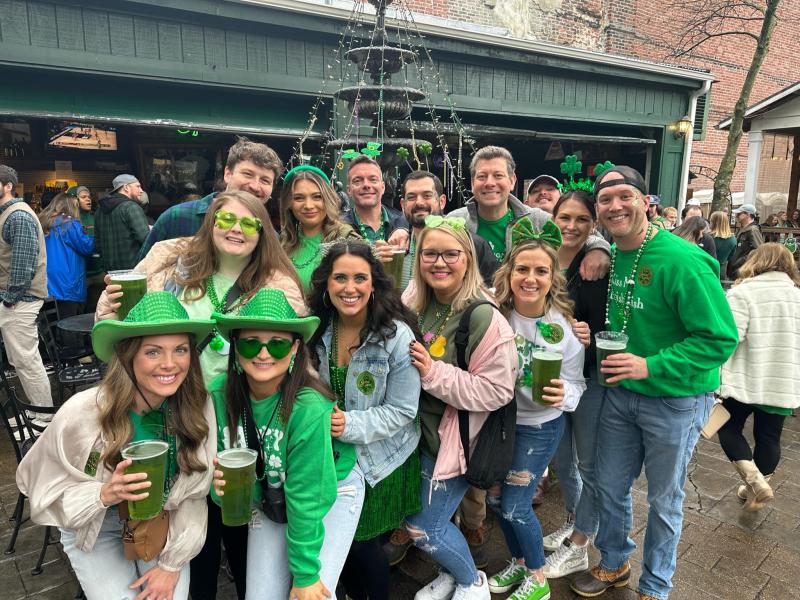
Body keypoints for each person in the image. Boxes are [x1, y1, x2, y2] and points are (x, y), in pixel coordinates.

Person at [570, 166, 738, 600]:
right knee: (608, 484)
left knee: (664, 499)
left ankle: (656, 585)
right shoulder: (612, 254)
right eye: (605, 200)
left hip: (676, 399)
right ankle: (614, 561)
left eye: (624, 196)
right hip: (619, 393)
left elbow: (720, 338)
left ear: (646, 201)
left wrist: (649, 366)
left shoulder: (682, 259)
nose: (614, 206)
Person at [16, 291, 217, 600]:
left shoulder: (196, 406)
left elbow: (195, 491)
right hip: (96, 524)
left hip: (162, 517)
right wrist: (103, 492)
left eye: (180, 349)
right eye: (153, 352)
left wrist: (171, 564)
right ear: (128, 355)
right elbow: (43, 493)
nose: (169, 364)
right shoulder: (83, 413)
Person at [404, 216, 517, 600]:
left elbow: (497, 391)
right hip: (416, 437)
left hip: (452, 444)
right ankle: (450, 572)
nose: (439, 262)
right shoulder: (415, 302)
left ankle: (472, 581)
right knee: (433, 520)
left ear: (467, 258)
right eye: (429, 254)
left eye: (450, 254)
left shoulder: (484, 316)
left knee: (425, 528)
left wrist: (433, 373)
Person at [210, 288, 342, 600]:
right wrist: (217, 491)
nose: (263, 353)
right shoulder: (217, 396)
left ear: (296, 349)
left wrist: (305, 574)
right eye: (251, 342)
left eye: (278, 344)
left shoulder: (308, 407)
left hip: (331, 488)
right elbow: (218, 477)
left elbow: (309, 497)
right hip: (269, 496)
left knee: (312, 594)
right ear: (236, 349)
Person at [307, 240, 422, 600]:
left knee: (361, 544)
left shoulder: (395, 335)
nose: (350, 288)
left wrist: (348, 426)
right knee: (335, 541)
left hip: (380, 458)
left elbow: (404, 411)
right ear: (326, 284)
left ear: (374, 283)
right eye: (340, 277)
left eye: (360, 277)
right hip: (330, 455)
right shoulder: (316, 328)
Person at [97, 189, 304, 387]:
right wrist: (113, 307)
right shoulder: (170, 264)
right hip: (172, 399)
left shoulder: (280, 286)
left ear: (261, 233)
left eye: (249, 224)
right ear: (212, 223)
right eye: (227, 219)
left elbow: (291, 356)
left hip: (234, 407)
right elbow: (121, 330)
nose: (237, 229)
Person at [485, 220, 586, 600]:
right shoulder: (495, 315)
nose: (530, 278)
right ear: (509, 273)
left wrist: (564, 394)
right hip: (498, 424)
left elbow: (577, 385)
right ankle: (520, 562)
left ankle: (539, 580)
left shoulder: (564, 328)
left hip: (539, 426)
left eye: (540, 271)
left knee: (513, 504)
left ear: (552, 276)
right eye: (522, 269)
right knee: (496, 500)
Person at [544, 191, 610, 579]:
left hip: (586, 378)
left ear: (593, 224)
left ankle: (583, 540)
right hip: (548, 375)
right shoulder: (542, 257)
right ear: (552, 218)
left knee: (588, 461)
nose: (571, 226)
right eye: (564, 217)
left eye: (582, 219)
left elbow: (608, 327)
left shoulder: (597, 265)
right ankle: (574, 519)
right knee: (562, 459)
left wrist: (592, 334)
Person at [717, 244, 800, 511]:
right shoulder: (797, 297)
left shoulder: (743, 293)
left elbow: (730, 337)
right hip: (782, 378)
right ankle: (758, 485)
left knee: (727, 427)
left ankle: (755, 482)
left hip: (745, 376)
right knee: (769, 437)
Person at [448, 146, 609, 273]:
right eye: (482, 176)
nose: (489, 183)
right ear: (472, 183)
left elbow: (584, 233)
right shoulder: (455, 222)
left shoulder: (536, 218)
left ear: (512, 181)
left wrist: (598, 249)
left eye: (498, 176)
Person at [137, 137, 283, 261]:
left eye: (265, 180)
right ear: (227, 174)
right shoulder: (176, 217)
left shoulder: (270, 237)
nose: (255, 186)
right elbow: (142, 273)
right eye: (248, 174)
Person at [0, 164, 52, 420]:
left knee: (27, 361)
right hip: (17, 300)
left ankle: (44, 416)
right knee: (21, 360)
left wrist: (9, 300)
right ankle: (35, 410)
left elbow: (22, 266)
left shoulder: (17, 216)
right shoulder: (8, 214)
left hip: (20, 300)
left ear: (8, 186)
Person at [397, 170, 497, 291]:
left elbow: (489, 295)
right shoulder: (396, 246)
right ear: (403, 205)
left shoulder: (473, 246)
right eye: (412, 197)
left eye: (427, 195)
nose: (419, 202)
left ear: (442, 201)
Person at [278, 165, 360, 290]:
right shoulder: (283, 241)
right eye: (299, 198)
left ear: (327, 198)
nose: (308, 205)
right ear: (289, 203)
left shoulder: (345, 238)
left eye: (317, 197)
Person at [38, 192, 95, 341]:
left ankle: (56, 353)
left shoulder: (42, 221)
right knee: (69, 320)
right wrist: (95, 234)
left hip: (47, 278)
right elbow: (86, 247)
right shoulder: (69, 223)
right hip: (67, 277)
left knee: (52, 319)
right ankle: (73, 353)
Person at [342, 154, 409, 247]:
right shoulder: (338, 227)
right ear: (349, 190)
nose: (366, 185)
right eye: (357, 181)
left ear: (383, 187)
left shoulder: (403, 222)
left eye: (373, 180)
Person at [95, 174, 150, 272]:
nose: (141, 190)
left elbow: (97, 244)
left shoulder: (99, 211)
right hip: (134, 272)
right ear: (126, 188)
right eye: (137, 186)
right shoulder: (131, 207)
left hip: (110, 273)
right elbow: (146, 240)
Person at [69, 185, 105, 311]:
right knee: (80, 312)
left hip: (98, 272)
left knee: (97, 310)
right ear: (74, 200)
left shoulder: (95, 217)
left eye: (89, 197)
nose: (88, 200)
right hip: (80, 275)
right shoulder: (71, 221)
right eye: (83, 197)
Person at [728, 203, 763, 279]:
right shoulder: (743, 228)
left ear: (748, 215)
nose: (737, 216)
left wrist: (740, 261)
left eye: (740, 213)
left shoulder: (753, 230)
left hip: (743, 270)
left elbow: (758, 251)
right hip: (736, 269)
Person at [709, 211, 736, 280]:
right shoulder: (733, 239)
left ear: (714, 222)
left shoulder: (707, 237)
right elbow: (731, 257)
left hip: (707, 269)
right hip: (722, 271)